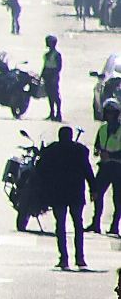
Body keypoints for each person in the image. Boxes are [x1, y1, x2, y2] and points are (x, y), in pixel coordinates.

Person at [37, 124, 95, 269]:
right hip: (75, 192)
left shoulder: (52, 151)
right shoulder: (80, 151)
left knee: (61, 226)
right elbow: (88, 171)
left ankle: (64, 258)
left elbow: (40, 170)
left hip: (59, 194)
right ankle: (79, 258)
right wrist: (93, 189)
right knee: (78, 225)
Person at [94, 98, 121, 235]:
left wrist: (111, 156)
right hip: (104, 167)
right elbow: (97, 145)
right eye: (107, 113)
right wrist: (98, 151)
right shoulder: (103, 128)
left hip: (118, 169)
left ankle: (115, 225)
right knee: (97, 193)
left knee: (118, 198)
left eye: (112, 113)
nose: (109, 116)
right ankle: (95, 223)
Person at [42, 35, 63, 121]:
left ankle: (58, 113)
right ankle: (52, 112)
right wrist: (42, 75)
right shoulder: (46, 55)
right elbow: (45, 66)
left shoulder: (57, 55)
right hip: (48, 75)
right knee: (50, 95)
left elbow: (59, 67)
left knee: (55, 94)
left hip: (53, 75)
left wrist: (54, 76)